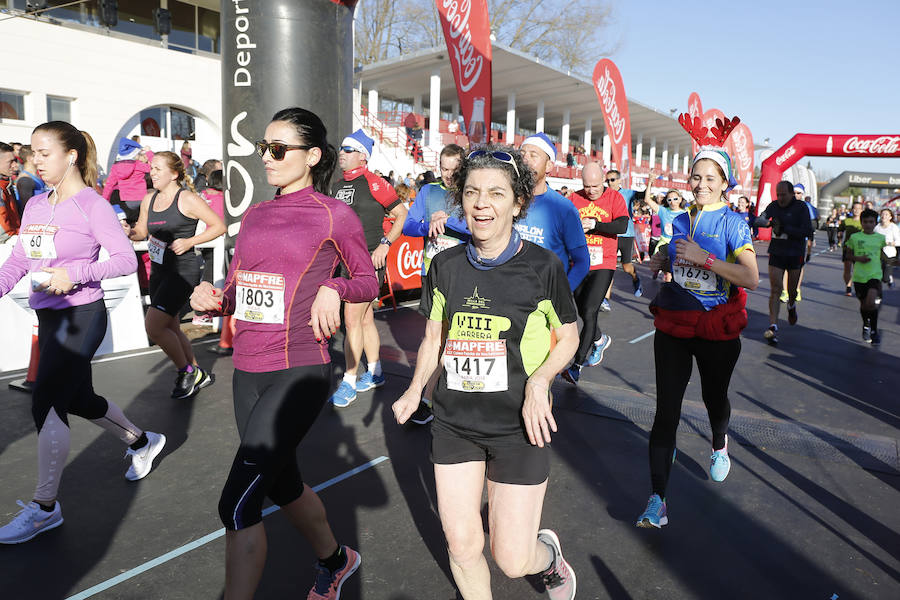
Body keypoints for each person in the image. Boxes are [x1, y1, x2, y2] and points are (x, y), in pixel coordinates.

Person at [190, 107, 374, 600]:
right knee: (281, 484)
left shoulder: (335, 213)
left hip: (298, 370)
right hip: (246, 370)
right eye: (263, 149)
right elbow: (236, 287)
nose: (266, 159)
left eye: (278, 149)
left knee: (236, 506)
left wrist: (335, 287)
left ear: (312, 156)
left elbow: (367, 279)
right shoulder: (253, 214)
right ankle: (336, 560)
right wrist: (213, 299)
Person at [393, 145, 579, 599]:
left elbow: (570, 337)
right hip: (456, 423)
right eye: (472, 192)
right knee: (462, 544)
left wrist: (540, 382)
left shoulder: (543, 267)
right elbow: (434, 339)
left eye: (496, 193)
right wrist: (416, 388)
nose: (481, 204)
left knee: (513, 560)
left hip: (519, 427)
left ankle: (549, 559)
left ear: (517, 203)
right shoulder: (444, 266)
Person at [0, 121, 166, 544]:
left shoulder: (92, 205)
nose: (33, 159)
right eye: (32, 152)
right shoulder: (37, 204)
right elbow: (21, 259)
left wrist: (75, 273)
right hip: (50, 317)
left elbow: (126, 260)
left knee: (46, 402)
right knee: (79, 399)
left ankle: (44, 508)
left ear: (71, 155)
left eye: (43, 151)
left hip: (83, 316)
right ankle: (142, 441)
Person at [636, 114, 758, 529]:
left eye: (711, 177)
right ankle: (657, 499)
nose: (702, 183)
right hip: (673, 324)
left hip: (715, 329)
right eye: (696, 176)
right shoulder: (681, 219)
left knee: (713, 400)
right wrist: (660, 260)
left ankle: (719, 442)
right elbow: (672, 254)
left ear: (725, 182)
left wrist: (704, 259)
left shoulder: (733, 222)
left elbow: (751, 278)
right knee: (665, 411)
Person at [126, 151, 225, 399]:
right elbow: (141, 230)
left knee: (154, 326)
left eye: (158, 168)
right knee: (171, 326)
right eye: (151, 168)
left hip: (182, 270)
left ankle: (186, 371)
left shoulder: (187, 199)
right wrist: (129, 231)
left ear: (174, 173)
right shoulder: (150, 199)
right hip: (159, 271)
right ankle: (198, 372)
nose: (153, 172)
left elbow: (219, 226)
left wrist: (190, 241)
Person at [329, 129, 408, 407]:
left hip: (366, 263)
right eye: (341, 149)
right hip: (343, 262)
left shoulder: (375, 183)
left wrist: (385, 244)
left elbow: (401, 215)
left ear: (363, 156)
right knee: (363, 321)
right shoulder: (337, 185)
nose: (342, 153)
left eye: (348, 150)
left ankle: (349, 380)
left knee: (351, 320)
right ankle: (375, 372)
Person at [401, 144, 469, 425]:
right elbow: (407, 226)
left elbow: (478, 227)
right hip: (431, 273)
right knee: (434, 338)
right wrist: (429, 223)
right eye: (444, 168)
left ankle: (445, 393)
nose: (449, 175)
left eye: (455, 169)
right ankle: (427, 397)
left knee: (455, 339)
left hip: (463, 273)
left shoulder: (469, 191)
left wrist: (450, 221)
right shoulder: (429, 191)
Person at [562, 162, 628, 384]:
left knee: (590, 311)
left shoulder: (614, 198)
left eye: (595, 186)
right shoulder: (574, 198)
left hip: (603, 263)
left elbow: (622, 226)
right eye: (587, 186)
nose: (591, 191)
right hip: (579, 263)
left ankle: (576, 366)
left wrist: (596, 224)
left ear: (604, 181)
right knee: (581, 310)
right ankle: (599, 339)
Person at [516, 132, 590, 291]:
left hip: (543, 299)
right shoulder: (506, 200)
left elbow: (582, 261)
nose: (525, 159)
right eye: (522, 154)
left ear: (549, 166)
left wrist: (561, 297)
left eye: (533, 155)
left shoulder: (564, 209)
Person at [754, 181, 814, 345]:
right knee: (775, 289)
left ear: (791, 194)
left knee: (792, 290)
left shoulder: (801, 208)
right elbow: (757, 220)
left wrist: (785, 228)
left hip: (795, 253)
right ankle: (773, 326)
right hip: (777, 252)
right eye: (778, 194)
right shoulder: (774, 206)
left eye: (783, 195)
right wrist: (769, 223)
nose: (780, 198)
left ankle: (791, 305)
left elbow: (808, 231)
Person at [604, 168, 649, 299]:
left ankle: (636, 279)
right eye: (607, 180)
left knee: (627, 267)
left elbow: (643, 195)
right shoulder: (604, 194)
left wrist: (650, 182)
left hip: (626, 234)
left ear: (619, 180)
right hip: (610, 235)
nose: (610, 183)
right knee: (608, 268)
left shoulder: (628, 193)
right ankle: (605, 299)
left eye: (612, 180)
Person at [845, 209, 886, 344]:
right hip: (859, 277)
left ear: (875, 223)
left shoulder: (880, 238)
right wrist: (859, 258)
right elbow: (848, 255)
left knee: (871, 302)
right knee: (864, 305)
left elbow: (884, 255)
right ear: (861, 223)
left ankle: (874, 330)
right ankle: (866, 325)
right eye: (865, 222)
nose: (868, 224)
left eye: (871, 222)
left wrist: (892, 260)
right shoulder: (855, 238)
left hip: (874, 275)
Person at [778, 184, 818, 303]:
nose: (796, 195)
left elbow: (812, 225)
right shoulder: (784, 205)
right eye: (794, 192)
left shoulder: (806, 207)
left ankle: (796, 289)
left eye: (799, 193)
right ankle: (785, 292)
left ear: (802, 195)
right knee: (785, 267)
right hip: (785, 240)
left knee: (797, 267)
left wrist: (810, 243)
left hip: (801, 242)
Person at [102, 138, 153, 225]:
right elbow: (154, 167)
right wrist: (149, 152)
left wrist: (104, 201)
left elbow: (109, 185)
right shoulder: (138, 165)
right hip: (141, 200)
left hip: (126, 202)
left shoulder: (115, 167)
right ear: (134, 153)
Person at [840, 201, 864, 296]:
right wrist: (839, 235)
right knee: (847, 269)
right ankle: (848, 286)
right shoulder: (846, 221)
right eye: (855, 208)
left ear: (862, 210)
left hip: (860, 249)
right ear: (851, 209)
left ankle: (858, 287)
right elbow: (840, 230)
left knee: (858, 270)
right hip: (848, 248)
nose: (857, 210)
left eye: (859, 208)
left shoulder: (864, 222)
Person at [0, 142, 21, 242]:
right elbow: (3, 231)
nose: (15, 165)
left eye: (15, 161)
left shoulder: (5, 184)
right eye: (11, 161)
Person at [14, 145, 46, 211]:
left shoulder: (36, 175)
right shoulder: (25, 179)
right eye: (35, 155)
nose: (40, 158)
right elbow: (26, 207)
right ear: (29, 158)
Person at [874, 208, 898, 288]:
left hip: (889, 254)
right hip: (878, 253)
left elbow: (899, 241)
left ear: (890, 217)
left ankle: (889, 279)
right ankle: (878, 296)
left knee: (885, 278)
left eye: (886, 214)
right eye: (882, 214)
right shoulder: (877, 227)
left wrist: (889, 243)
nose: (884, 216)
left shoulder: (893, 227)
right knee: (877, 276)